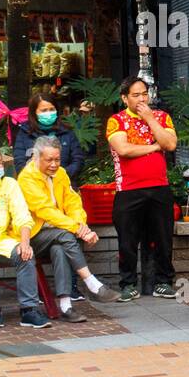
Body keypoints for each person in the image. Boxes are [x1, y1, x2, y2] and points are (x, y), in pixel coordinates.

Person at [17, 136, 118, 321]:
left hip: (58, 234)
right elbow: (45, 210)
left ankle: (66, 305)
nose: (54, 164)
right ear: (36, 158)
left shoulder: (61, 173)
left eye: (57, 159)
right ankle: (91, 283)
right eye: (49, 160)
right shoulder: (26, 178)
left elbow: (73, 202)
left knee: (60, 246)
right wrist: (77, 229)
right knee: (64, 236)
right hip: (32, 236)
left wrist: (81, 226)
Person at [107, 76, 177, 301]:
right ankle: (128, 284)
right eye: (135, 95)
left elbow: (171, 144)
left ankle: (164, 282)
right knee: (127, 241)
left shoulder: (162, 117)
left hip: (159, 187)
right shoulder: (116, 120)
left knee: (163, 237)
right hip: (128, 189)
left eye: (144, 94)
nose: (141, 99)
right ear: (124, 98)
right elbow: (124, 149)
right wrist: (154, 146)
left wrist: (149, 118)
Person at [0, 144, 49, 328]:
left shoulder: (9, 184)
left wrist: (25, 243)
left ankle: (29, 310)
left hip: (0, 241)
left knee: (25, 255)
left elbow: (23, 216)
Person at [13, 92, 86, 184]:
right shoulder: (25, 132)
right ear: (34, 112)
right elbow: (20, 162)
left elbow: (78, 159)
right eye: (44, 110)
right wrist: (39, 178)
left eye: (52, 109)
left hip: (64, 184)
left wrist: (60, 175)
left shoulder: (66, 131)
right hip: (34, 186)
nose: (48, 113)